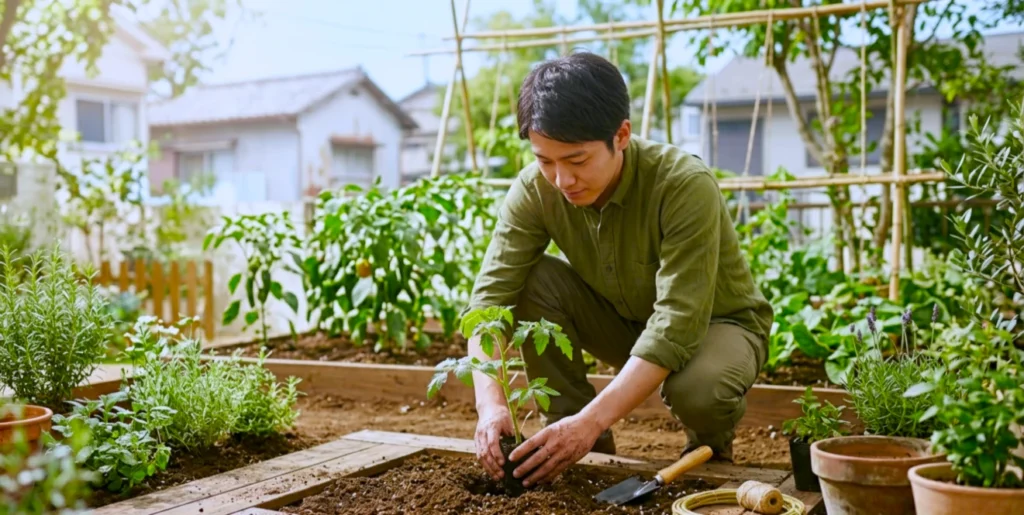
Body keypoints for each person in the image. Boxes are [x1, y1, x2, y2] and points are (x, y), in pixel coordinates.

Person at [463, 51, 774, 489]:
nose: (561, 180)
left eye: (576, 160)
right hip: (624, 323)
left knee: (698, 390)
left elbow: (676, 325)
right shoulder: (536, 190)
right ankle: (574, 441)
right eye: (544, 160)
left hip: (714, 327)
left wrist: (591, 419)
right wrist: (491, 405)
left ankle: (708, 447)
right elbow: (486, 305)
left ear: (622, 135)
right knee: (530, 282)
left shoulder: (682, 184)